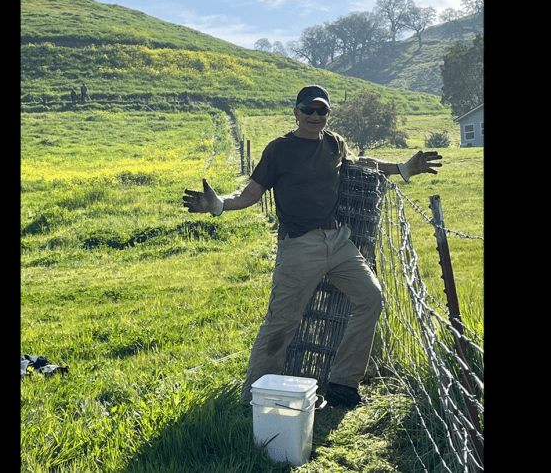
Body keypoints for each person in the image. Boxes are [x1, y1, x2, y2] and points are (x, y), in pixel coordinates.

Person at [182, 85, 443, 408]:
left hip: (337, 240)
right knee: (282, 322)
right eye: (308, 110)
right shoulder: (279, 149)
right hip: (299, 245)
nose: (315, 116)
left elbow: (360, 161)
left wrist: (403, 168)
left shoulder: (334, 143)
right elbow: (252, 194)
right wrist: (219, 204)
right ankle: (253, 398)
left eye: (322, 111)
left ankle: (342, 384)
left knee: (370, 297)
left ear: (328, 114)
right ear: (296, 112)